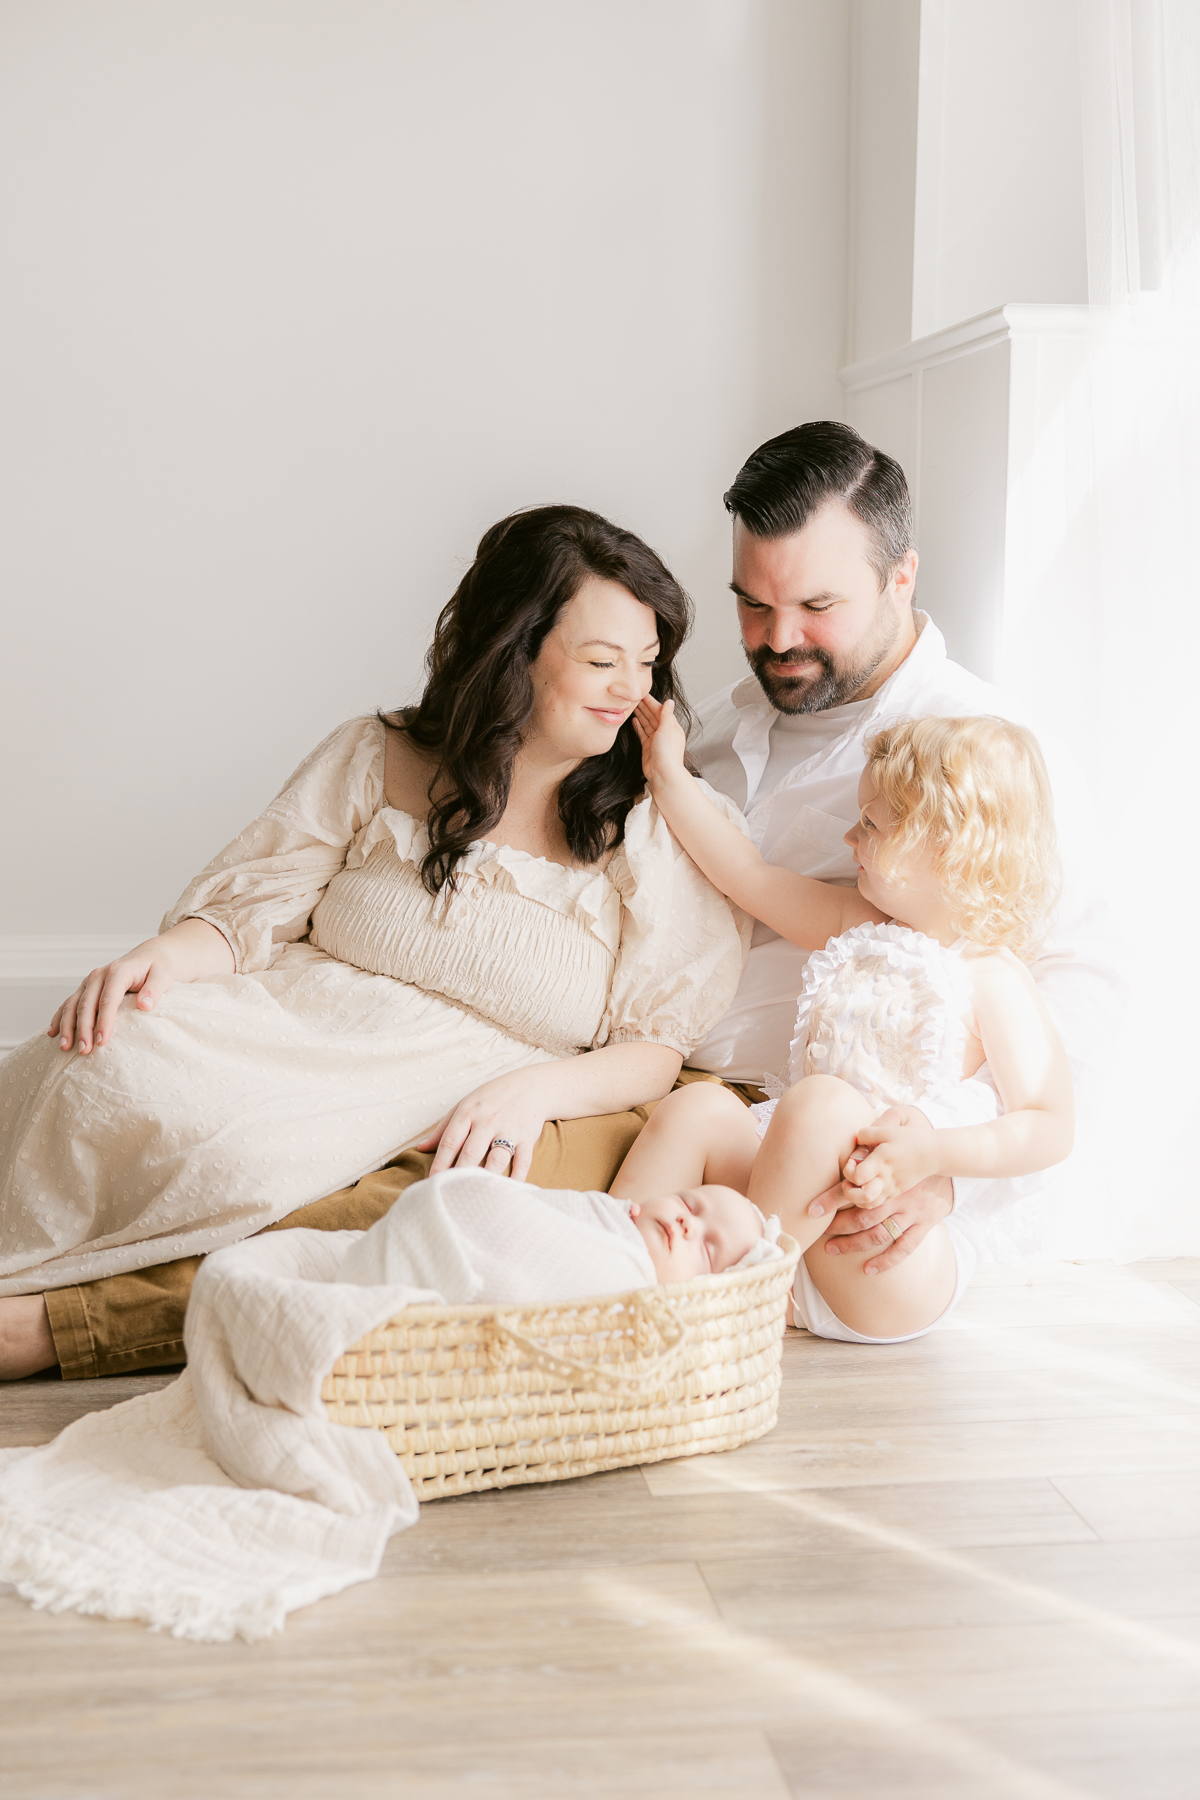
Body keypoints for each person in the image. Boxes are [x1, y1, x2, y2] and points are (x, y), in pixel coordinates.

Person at [8, 420, 1118, 1381]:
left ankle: (72, 1325)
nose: (778, 637)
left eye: (816, 605)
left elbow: (1062, 1005)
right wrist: (186, 950)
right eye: (754, 604)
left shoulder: (984, 765)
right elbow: (270, 885)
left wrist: (940, 1167)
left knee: (409, 1203)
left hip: (749, 1124)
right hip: (693, 1118)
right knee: (109, 1074)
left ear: (900, 576)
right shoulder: (701, 740)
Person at [0, 505, 752, 1377]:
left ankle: (46, 1321)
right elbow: (251, 908)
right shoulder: (379, 751)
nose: (631, 689)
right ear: (514, 648)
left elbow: (654, 1050)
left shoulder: (658, 826)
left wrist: (534, 1089)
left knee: (244, 1157)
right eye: (600, 661)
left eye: (647, 664)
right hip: (292, 1017)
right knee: (102, 1061)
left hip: (426, 1081)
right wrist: (160, 958)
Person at [611, 705, 1073, 1341]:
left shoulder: (992, 975)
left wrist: (934, 1154)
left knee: (824, 1102)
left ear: (946, 846)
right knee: (700, 1110)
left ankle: (738, 1306)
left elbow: (1048, 1127)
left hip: (881, 1249)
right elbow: (748, 877)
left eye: (871, 826)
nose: (849, 840)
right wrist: (666, 774)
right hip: (789, 1215)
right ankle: (607, 1268)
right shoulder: (860, 923)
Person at [337, 1165, 773, 1299]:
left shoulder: (629, 1290)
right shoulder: (601, 1217)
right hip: (429, 1231)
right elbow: (527, 1211)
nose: (686, 1223)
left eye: (707, 1249)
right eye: (688, 1203)